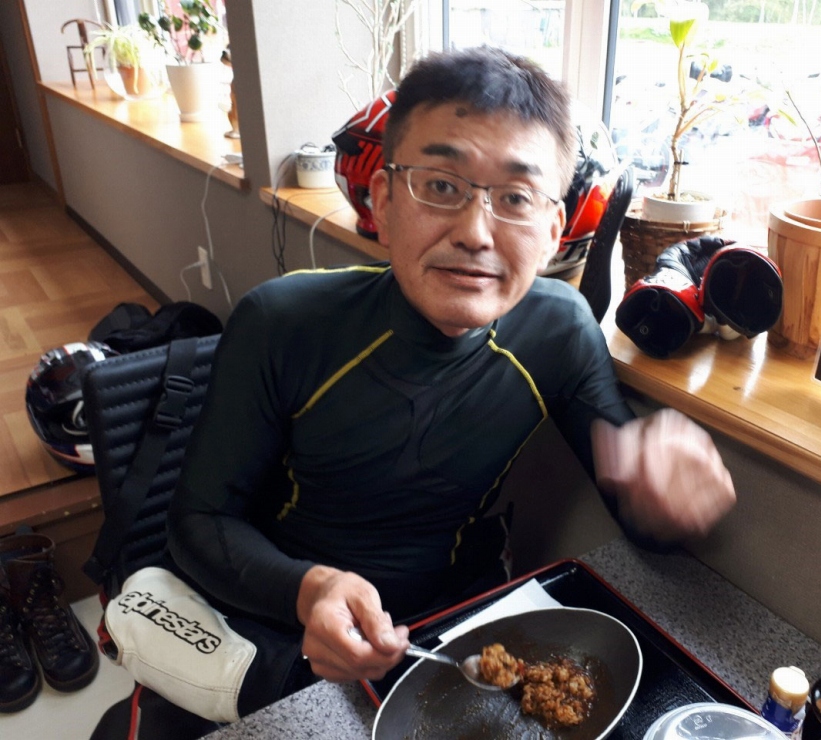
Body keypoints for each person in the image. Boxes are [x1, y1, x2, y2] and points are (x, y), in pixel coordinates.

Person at [97, 45, 735, 734]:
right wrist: (310, 590)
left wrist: (667, 498)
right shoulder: (281, 324)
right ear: (383, 201)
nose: (476, 233)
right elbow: (198, 522)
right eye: (440, 186)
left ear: (553, 230)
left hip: (456, 636)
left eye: (516, 198)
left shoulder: (560, 330)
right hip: (282, 625)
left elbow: (637, 510)